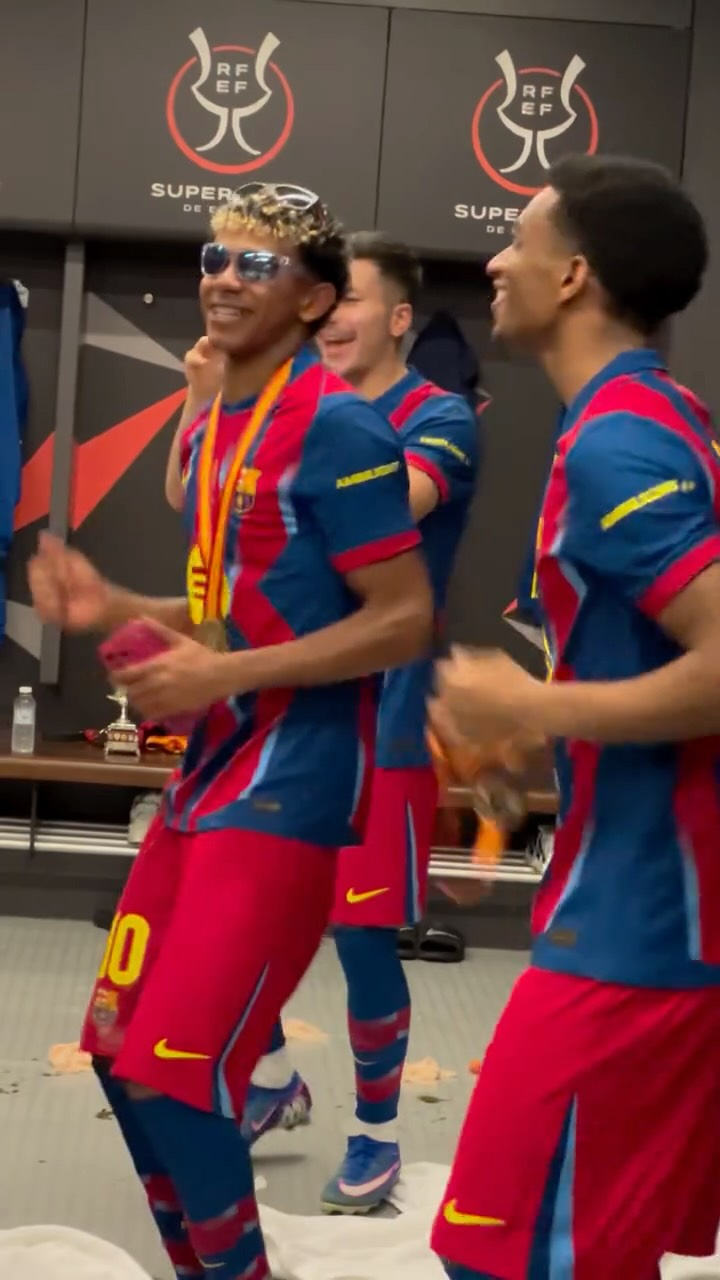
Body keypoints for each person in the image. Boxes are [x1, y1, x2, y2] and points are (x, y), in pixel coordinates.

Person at [29, 181, 433, 1280]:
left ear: (314, 300)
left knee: (177, 1071)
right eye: (215, 256)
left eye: (258, 265)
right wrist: (115, 606)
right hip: (208, 779)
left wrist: (224, 671)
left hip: (293, 791)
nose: (223, 278)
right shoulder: (218, 426)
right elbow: (225, 608)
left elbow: (402, 618)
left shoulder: (341, 427)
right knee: (117, 1054)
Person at [430, 154, 720, 1280]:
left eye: (520, 239)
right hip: (634, 897)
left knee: (506, 1254)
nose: (496, 261)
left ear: (574, 277)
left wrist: (526, 698)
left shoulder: (619, 439)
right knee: (592, 1245)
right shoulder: (638, 416)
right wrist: (529, 746)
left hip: (646, 923)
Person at [166, 233, 482, 1214]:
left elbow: (390, 506)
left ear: (396, 318)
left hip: (382, 721)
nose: (332, 317)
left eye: (352, 302)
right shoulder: (274, 403)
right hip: (264, 719)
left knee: (359, 935)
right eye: (324, 300)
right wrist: (208, 400)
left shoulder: (436, 417)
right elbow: (187, 495)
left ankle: (376, 1133)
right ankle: (271, 1080)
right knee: (225, 911)